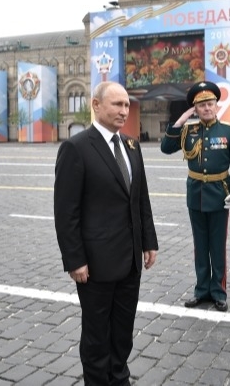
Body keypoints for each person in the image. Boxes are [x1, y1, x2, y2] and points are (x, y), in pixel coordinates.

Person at [53, 81, 158, 385]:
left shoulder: (131, 146)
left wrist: (149, 242)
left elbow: (141, 199)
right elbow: (66, 211)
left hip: (130, 260)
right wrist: (75, 259)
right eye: (117, 104)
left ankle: (119, 378)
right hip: (96, 264)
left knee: (123, 331)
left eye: (126, 105)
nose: (124, 111)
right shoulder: (76, 147)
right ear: (96, 105)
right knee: (97, 335)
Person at [161, 81, 230, 312]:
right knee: (200, 246)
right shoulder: (188, 131)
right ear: (195, 110)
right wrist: (179, 122)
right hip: (196, 195)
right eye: (201, 106)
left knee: (217, 246)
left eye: (210, 104)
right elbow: (166, 148)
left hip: (220, 196)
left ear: (217, 106)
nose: (207, 109)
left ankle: (218, 292)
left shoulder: (229, 131)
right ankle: (201, 290)